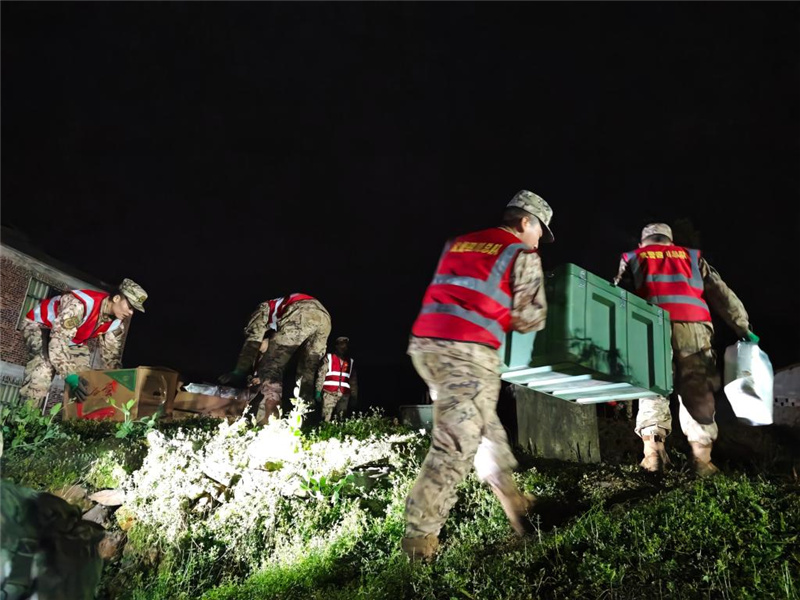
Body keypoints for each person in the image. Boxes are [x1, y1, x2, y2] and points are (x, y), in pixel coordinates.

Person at [401, 189, 554, 561]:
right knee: (456, 443)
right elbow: (531, 317)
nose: (540, 241)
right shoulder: (522, 253)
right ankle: (419, 542)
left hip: (427, 347)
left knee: (484, 425)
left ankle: (516, 505)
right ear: (525, 222)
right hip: (468, 352)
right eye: (540, 232)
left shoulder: (460, 242)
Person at [614, 223, 758, 476]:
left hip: (650, 327)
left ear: (642, 243)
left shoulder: (633, 257)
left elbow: (617, 297)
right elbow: (722, 294)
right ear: (670, 242)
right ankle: (702, 460)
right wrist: (743, 328)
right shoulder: (692, 257)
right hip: (694, 327)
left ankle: (653, 455)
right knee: (697, 389)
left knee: (653, 386)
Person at [19, 279, 148, 408]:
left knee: (85, 381)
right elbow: (58, 342)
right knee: (44, 368)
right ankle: (24, 418)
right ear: (116, 298)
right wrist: (70, 375)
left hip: (72, 339)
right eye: (130, 307)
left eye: (134, 310)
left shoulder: (117, 323)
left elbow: (112, 360)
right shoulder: (80, 305)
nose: (131, 312)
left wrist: (123, 387)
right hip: (41, 326)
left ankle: (74, 421)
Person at [219, 293, 331, 422]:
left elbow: (253, 341)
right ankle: (305, 419)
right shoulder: (278, 312)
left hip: (302, 310)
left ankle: (267, 421)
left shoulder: (261, 309)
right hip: (324, 317)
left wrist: (239, 371)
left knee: (271, 367)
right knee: (306, 374)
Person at [315, 336, 358, 422]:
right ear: (336, 346)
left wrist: (354, 396)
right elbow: (321, 374)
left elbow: (353, 381)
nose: (344, 347)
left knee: (341, 419)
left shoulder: (350, 361)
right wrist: (318, 391)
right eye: (341, 344)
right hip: (329, 393)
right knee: (325, 418)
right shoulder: (329, 358)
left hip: (344, 394)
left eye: (345, 345)